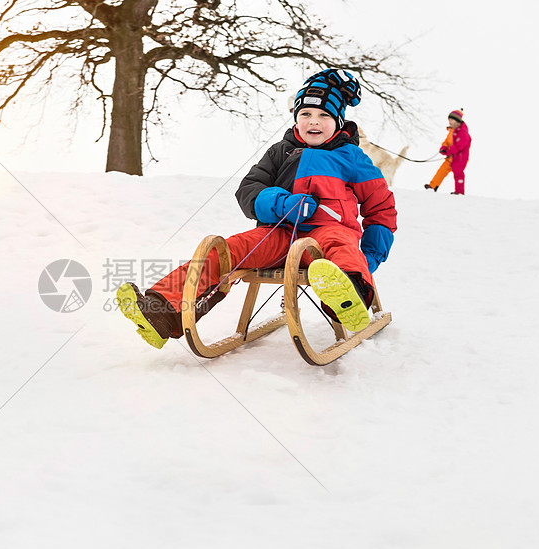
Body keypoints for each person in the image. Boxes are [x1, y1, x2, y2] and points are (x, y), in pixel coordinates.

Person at [116, 69, 398, 349]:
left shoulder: (351, 158)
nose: (314, 122)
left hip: (329, 236)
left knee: (341, 246)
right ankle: (162, 312)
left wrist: (369, 257)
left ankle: (349, 294)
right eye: (306, 115)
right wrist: (281, 203)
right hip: (278, 235)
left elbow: (381, 207)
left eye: (324, 115)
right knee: (226, 250)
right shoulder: (281, 151)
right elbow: (248, 190)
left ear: (338, 121)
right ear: (296, 118)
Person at [424, 109, 472, 195]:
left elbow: (460, 145)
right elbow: (447, 142)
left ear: (457, 121)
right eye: (449, 120)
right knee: (442, 170)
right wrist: (444, 148)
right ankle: (433, 186)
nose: (449, 122)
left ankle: (459, 192)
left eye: (451, 120)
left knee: (458, 174)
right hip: (450, 158)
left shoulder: (463, 132)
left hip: (459, 159)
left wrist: (450, 151)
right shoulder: (451, 131)